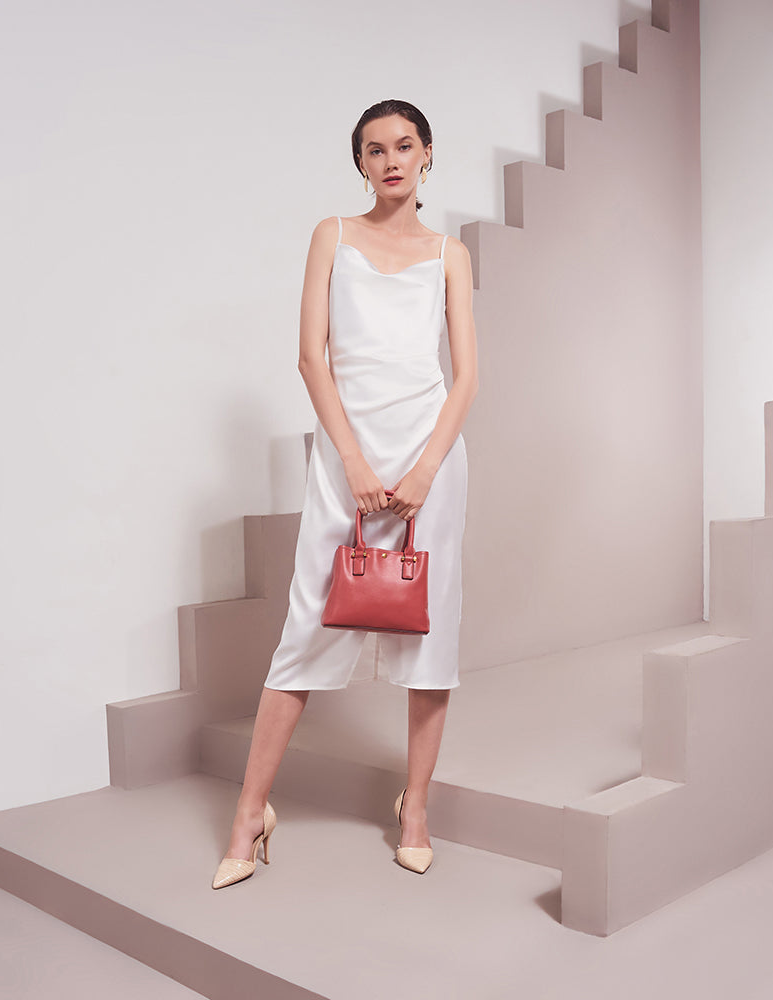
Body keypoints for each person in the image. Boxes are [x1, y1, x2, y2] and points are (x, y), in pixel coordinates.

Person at [213, 99, 478, 889]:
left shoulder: (450, 254)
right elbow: (310, 357)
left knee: (430, 637)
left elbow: (466, 375)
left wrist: (428, 466)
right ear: (359, 163)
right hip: (348, 460)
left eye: (404, 146)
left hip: (432, 456)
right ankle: (249, 813)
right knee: (305, 631)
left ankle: (416, 807)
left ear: (427, 155)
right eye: (374, 149)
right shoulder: (332, 234)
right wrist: (354, 462)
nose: (391, 160)